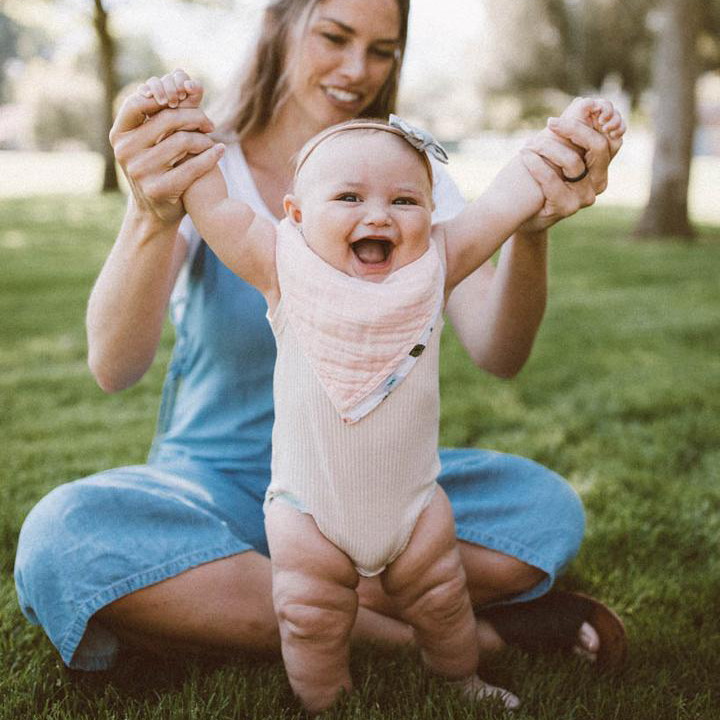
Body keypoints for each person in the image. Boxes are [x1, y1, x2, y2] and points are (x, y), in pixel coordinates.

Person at [14, 0, 626, 691]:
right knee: (64, 537)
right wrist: (151, 214)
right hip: (214, 489)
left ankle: (215, 605)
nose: (357, 69)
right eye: (335, 37)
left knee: (543, 510)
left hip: (376, 482)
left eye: (382, 49)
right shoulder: (205, 168)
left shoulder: (410, 181)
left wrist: (532, 226)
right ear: (280, 25)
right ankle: (448, 633)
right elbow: (114, 365)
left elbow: (499, 352)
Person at [135, 77, 622, 711]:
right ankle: (328, 700)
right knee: (309, 616)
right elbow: (219, 208)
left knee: (443, 600)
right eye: (349, 196)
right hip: (307, 511)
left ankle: (462, 678)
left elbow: (505, 200)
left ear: (430, 211)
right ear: (298, 215)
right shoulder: (282, 264)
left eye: (404, 200)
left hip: (414, 507)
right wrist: (183, 131)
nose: (378, 215)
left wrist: (561, 143)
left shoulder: (438, 261)